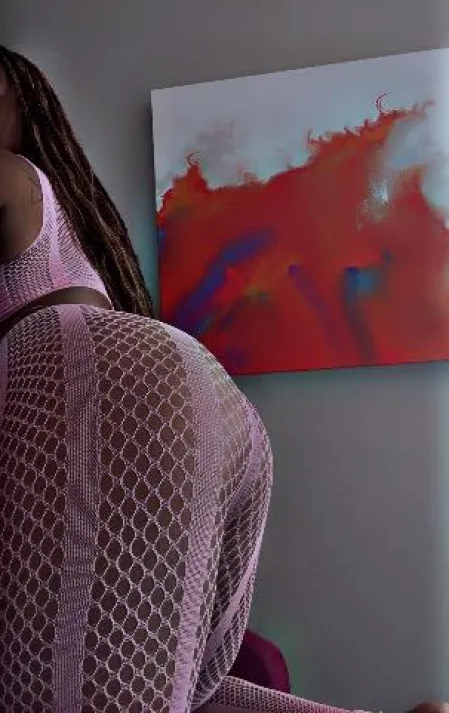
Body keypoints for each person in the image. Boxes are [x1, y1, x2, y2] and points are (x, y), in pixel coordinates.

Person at [0, 44, 444, 713]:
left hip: (96, 393)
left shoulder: (12, 177)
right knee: (179, 683)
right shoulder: (69, 214)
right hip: (191, 408)